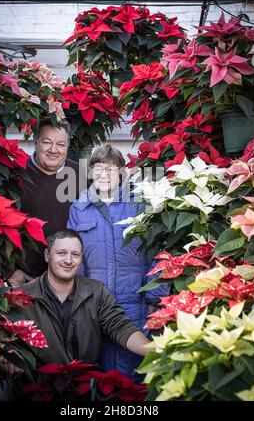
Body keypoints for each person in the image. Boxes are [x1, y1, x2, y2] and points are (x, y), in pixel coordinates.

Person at [67, 144, 169, 379]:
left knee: (137, 373)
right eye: (98, 168)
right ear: (91, 172)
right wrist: (77, 301)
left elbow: (158, 252)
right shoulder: (80, 208)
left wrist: (156, 297)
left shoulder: (139, 205)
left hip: (137, 304)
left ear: (121, 173)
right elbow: (73, 256)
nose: (104, 175)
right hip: (95, 306)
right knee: (98, 374)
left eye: (111, 170)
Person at [21, 229, 150, 367]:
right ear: (47, 255)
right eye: (61, 253)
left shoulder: (95, 292)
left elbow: (121, 327)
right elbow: (7, 338)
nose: (68, 260)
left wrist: (160, 352)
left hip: (85, 383)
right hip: (38, 383)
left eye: (75, 254)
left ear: (81, 259)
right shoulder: (22, 296)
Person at [8, 118, 84, 286]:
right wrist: (10, 270)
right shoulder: (14, 175)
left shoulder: (81, 175)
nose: (53, 150)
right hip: (25, 279)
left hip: (70, 280)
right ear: (36, 142)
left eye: (61, 144)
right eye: (47, 142)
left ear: (67, 146)